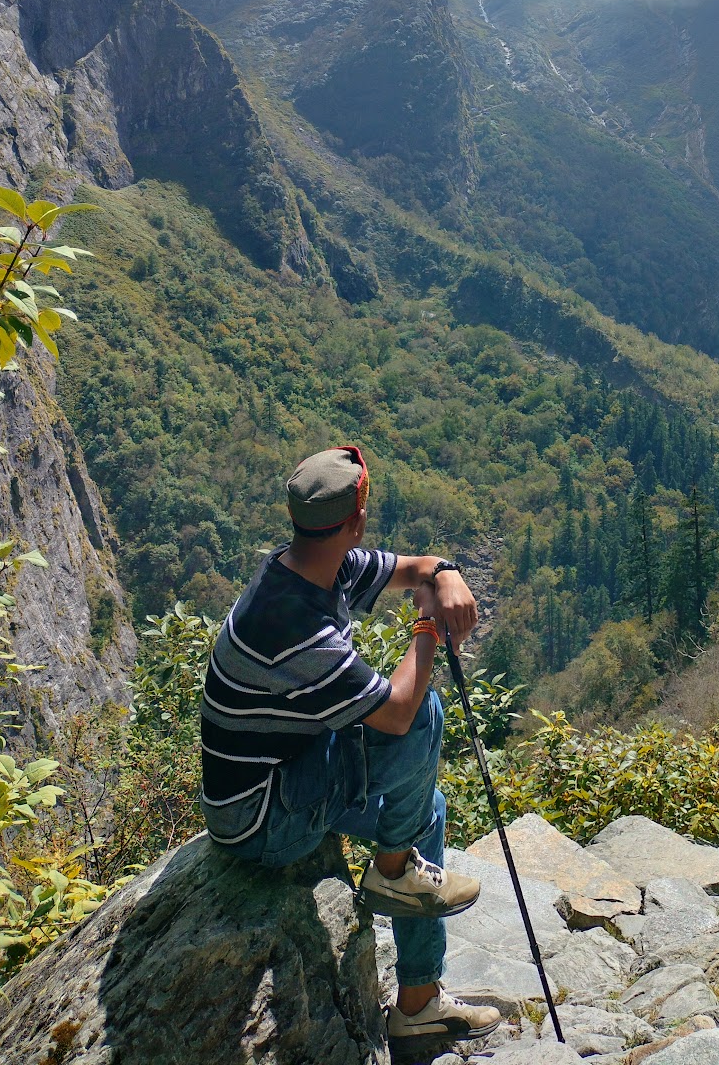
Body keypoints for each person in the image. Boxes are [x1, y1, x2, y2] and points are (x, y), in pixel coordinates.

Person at [199, 444, 502, 1052]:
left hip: (284, 774)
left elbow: (417, 567)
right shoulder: (292, 625)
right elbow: (395, 715)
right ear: (356, 521)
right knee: (424, 718)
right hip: (260, 819)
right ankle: (392, 872)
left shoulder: (307, 565)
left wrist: (443, 574)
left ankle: (418, 1003)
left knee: (428, 812)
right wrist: (426, 626)